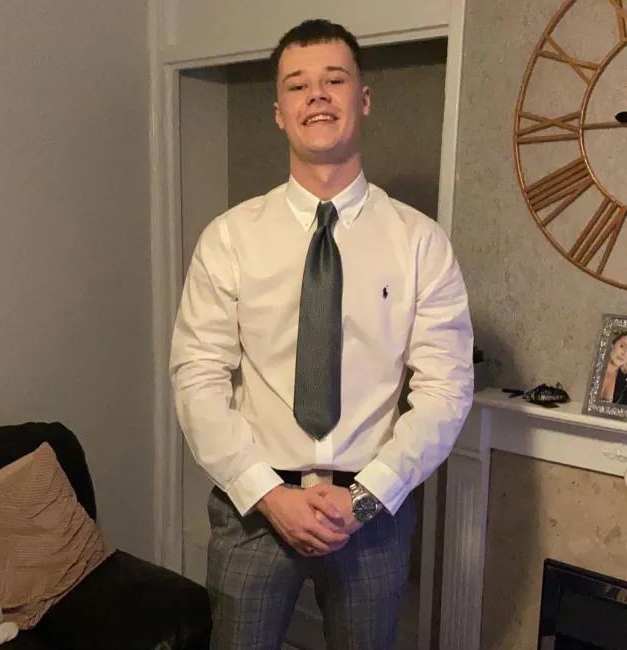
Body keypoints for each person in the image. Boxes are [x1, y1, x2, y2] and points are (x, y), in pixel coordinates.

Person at [170, 19, 473, 649]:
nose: (317, 96)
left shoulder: (421, 243)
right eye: (298, 86)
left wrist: (364, 499)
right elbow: (197, 377)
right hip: (254, 508)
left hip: (374, 509)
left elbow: (446, 390)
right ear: (278, 111)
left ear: (363, 99)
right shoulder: (229, 238)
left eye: (334, 80)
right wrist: (268, 494)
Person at [600, 331, 627, 402]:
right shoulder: (595, 368)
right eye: (622, 346)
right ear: (613, 344)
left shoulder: (626, 381)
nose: (624, 353)